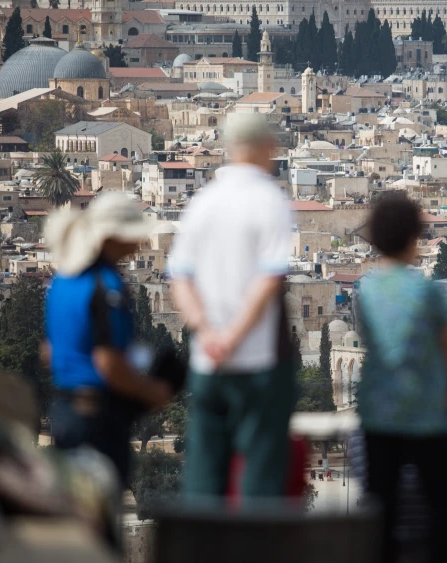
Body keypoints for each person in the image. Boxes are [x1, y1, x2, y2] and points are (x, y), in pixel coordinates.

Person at [170, 112, 295, 500]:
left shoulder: (203, 201)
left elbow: (180, 279)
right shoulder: (268, 198)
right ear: (265, 147)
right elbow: (269, 279)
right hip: (256, 364)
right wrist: (234, 337)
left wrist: (209, 334)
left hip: (208, 362)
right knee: (260, 473)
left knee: (205, 474)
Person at [355, 195, 447, 563]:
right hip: (425, 412)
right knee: (443, 501)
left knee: (381, 504)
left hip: (378, 412)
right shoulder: (424, 290)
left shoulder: (365, 289)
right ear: (414, 237)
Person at [45, 193, 173, 488]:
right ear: (113, 237)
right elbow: (108, 363)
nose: (139, 241)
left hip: (64, 412)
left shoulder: (62, 281)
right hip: (98, 419)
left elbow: (48, 351)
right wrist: (151, 391)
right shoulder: (106, 286)